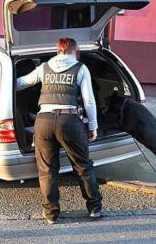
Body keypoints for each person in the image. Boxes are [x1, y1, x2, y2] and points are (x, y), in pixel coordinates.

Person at [17, 37, 102, 225]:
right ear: (74, 51)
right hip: (69, 120)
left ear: (58, 50)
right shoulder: (81, 68)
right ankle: (94, 208)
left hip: (44, 121)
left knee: (47, 169)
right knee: (82, 166)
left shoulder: (44, 67)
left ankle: (51, 214)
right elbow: (88, 101)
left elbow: (22, 82)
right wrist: (93, 126)